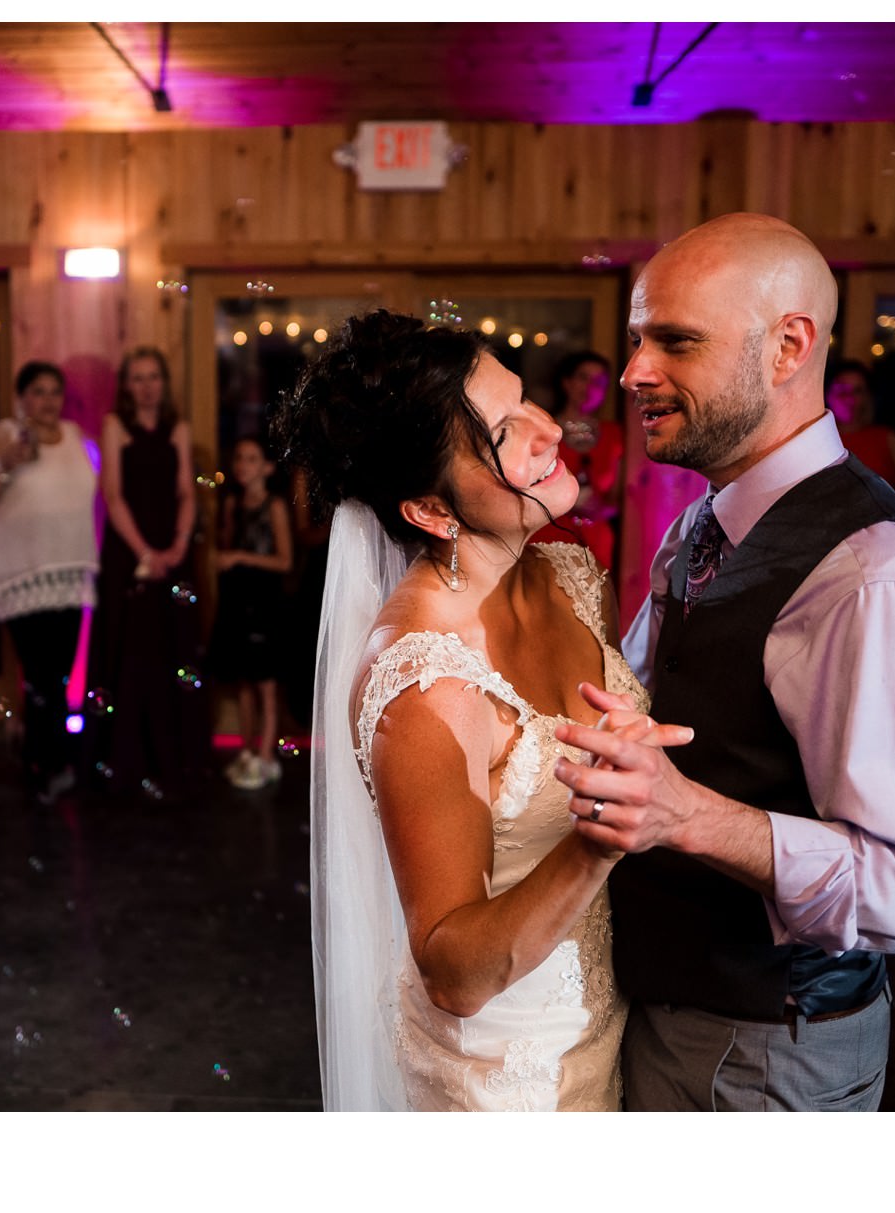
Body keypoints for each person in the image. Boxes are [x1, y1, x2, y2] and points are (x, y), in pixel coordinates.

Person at [551, 213, 895, 1112]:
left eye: (675, 340)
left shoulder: (878, 580)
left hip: (762, 1052)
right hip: (659, 1004)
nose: (635, 371)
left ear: (790, 346)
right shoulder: (702, 523)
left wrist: (691, 815)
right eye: (638, 339)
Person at [274, 309, 673, 1112]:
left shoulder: (569, 572)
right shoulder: (423, 680)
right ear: (429, 510)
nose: (548, 429)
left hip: (609, 1030)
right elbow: (451, 971)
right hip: (503, 1082)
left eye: (526, 400)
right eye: (502, 432)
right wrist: (600, 834)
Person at [0, 361, 98, 803]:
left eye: (54, 392)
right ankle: (47, 763)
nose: (47, 400)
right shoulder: (3, 434)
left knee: (58, 674)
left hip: (68, 571)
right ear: (21, 398)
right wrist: (5, 463)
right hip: (21, 572)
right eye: (37, 392)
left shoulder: (78, 438)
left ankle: (47, 756)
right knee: (40, 675)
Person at [91, 346, 207, 801]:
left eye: (153, 376)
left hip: (172, 549)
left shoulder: (178, 429)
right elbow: (113, 495)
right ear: (126, 385)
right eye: (137, 377)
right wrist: (146, 553)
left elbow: (185, 494)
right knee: (130, 654)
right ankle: (125, 762)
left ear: (163, 383)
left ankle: (176, 761)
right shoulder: (114, 426)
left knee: (174, 651)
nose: (146, 385)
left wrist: (177, 546)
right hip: (128, 553)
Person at [208, 435, 293, 791]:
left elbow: (285, 561)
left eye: (252, 458)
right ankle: (246, 751)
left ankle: (268, 757)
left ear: (268, 467)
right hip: (237, 599)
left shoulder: (274, 506)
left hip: (265, 600)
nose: (243, 465)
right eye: (239, 458)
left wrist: (241, 557)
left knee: (265, 684)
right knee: (243, 680)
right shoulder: (232, 505)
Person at [528, 350, 625, 568]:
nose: (590, 387)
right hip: (549, 534)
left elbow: (617, 498)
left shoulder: (614, 435)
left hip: (595, 539)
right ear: (566, 382)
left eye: (599, 382)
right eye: (583, 378)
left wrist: (600, 508)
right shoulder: (544, 429)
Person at [825, 359, 895, 503]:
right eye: (842, 390)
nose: (850, 398)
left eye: (858, 391)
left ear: (867, 396)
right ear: (828, 394)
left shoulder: (888, 439)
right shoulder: (818, 441)